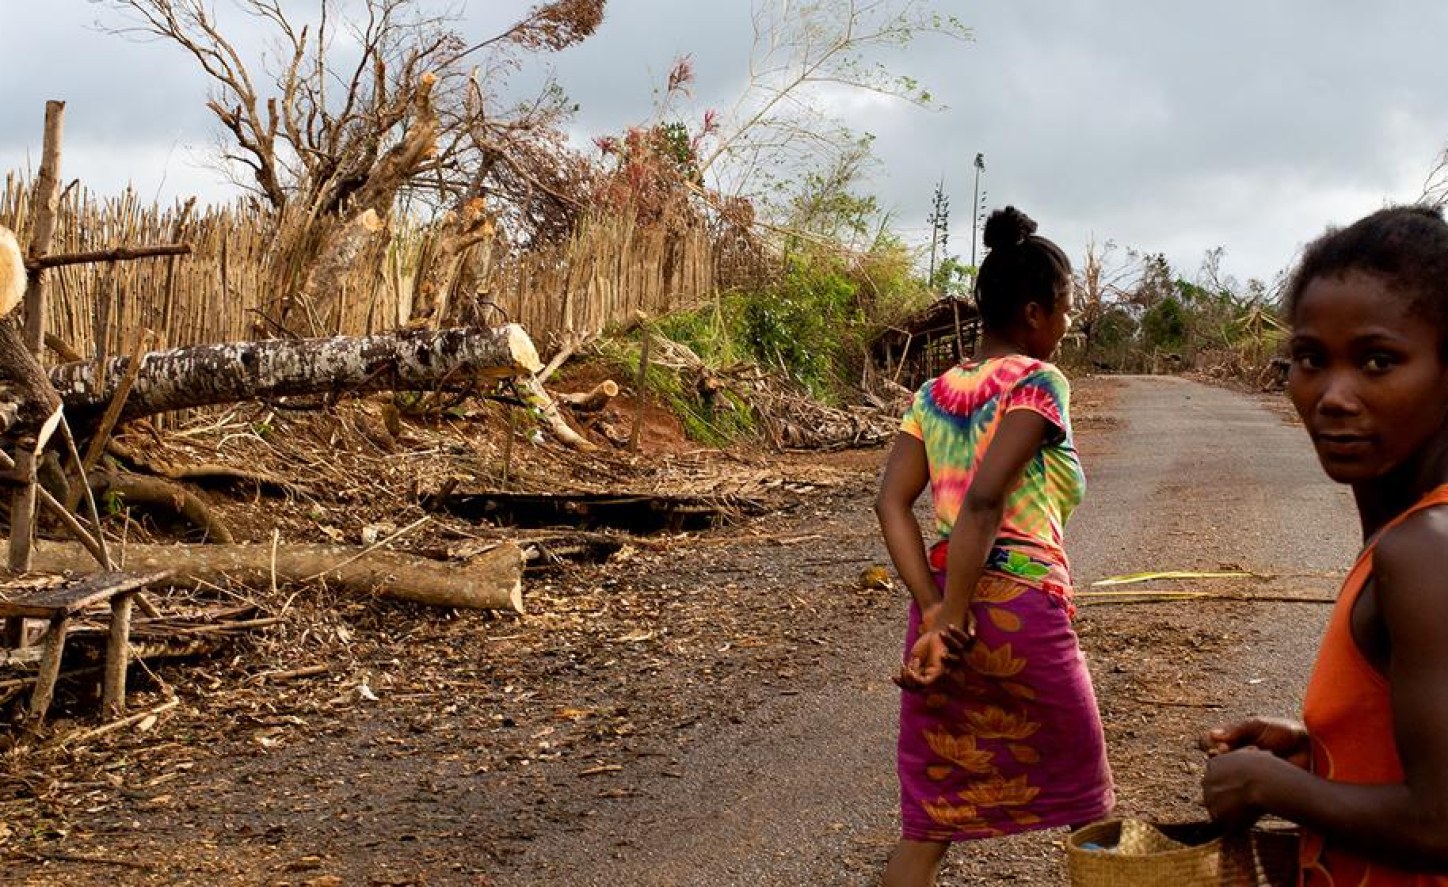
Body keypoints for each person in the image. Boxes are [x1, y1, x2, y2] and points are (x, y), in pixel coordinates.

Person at [1201, 205, 1448, 884]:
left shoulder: (1426, 550)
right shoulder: (1411, 530)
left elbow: (1442, 820)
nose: (1334, 396)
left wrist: (1269, 787)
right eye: (1311, 359)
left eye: (1378, 361)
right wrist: (1323, 750)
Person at [874, 206, 1114, 886]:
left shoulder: (931, 394)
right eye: (1067, 309)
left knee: (930, 821)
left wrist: (937, 610)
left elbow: (891, 501)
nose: (1068, 325)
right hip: (1023, 612)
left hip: (942, 619)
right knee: (1088, 804)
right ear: (1036, 312)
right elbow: (984, 498)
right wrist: (953, 611)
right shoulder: (1040, 383)